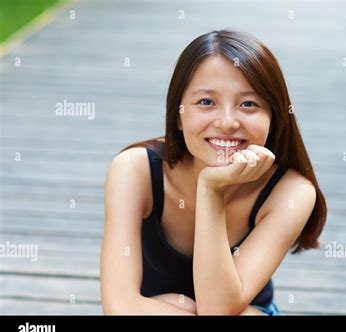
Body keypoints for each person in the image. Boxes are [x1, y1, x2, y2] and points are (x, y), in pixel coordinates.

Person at [100, 29, 327, 315]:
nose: (228, 122)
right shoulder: (135, 170)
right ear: (178, 115)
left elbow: (219, 310)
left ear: (274, 118)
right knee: (175, 303)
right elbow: (118, 306)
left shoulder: (291, 191)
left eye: (248, 104)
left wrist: (210, 189)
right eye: (206, 102)